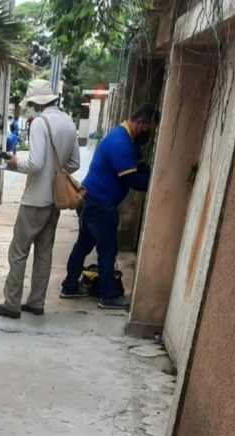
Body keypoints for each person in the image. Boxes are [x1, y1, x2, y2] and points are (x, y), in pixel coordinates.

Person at [0, 79, 81, 319]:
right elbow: (74, 164)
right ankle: (36, 302)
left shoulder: (40, 123)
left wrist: (14, 163)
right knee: (44, 253)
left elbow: (35, 162)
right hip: (55, 200)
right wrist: (55, 170)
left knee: (18, 252)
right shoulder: (69, 123)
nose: (30, 106)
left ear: (36, 102)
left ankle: (11, 304)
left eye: (30, 102)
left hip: (34, 200)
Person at [60, 104, 159, 309]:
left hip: (91, 200)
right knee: (108, 250)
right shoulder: (121, 143)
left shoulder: (128, 139)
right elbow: (133, 179)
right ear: (140, 123)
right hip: (100, 204)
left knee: (83, 246)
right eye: (150, 129)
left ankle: (69, 287)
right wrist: (157, 184)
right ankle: (108, 296)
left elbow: (140, 166)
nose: (150, 134)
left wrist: (151, 173)